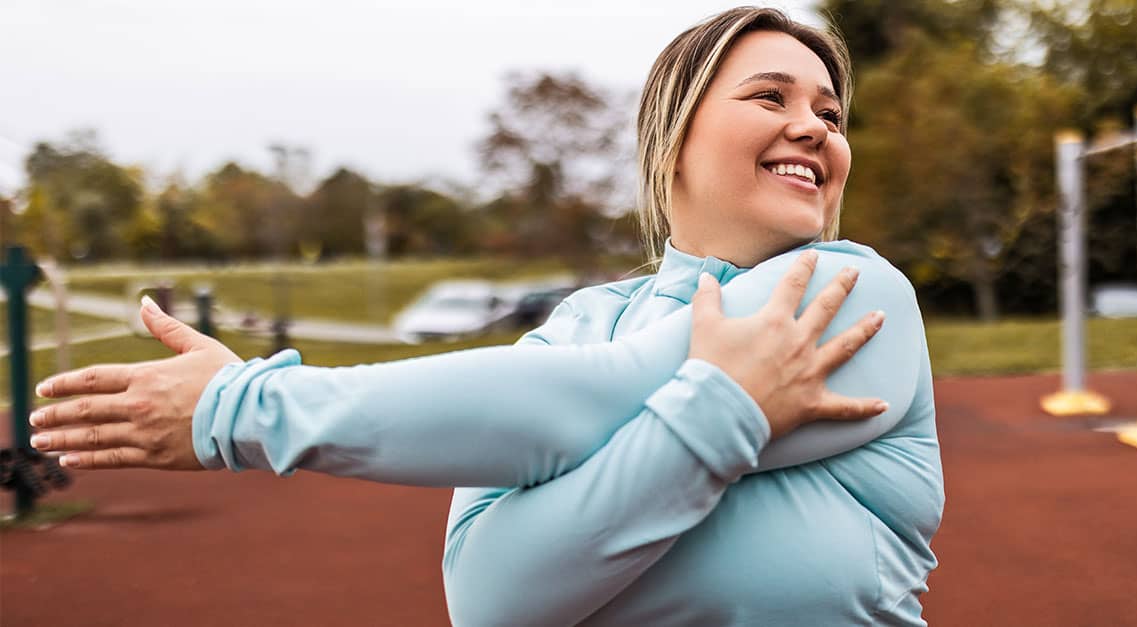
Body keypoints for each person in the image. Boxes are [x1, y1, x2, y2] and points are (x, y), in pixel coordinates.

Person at [30, 6, 943, 626]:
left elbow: (598, 399)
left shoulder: (855, 294)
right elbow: (492, 595)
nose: (816, 127)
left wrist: (245, 408)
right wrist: (723, 409)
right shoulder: (578, 328)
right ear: (672, 142)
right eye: (769, 97)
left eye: (829, 110)